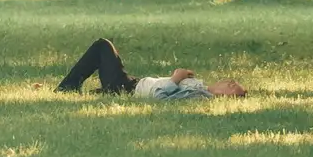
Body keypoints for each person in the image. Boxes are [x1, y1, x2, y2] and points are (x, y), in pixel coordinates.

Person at [55, 37, 246, 99]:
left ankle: (66, 88)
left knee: (103, 46)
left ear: (223, 98)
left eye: (232, 87)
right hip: (134, 83)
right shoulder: (200, 87)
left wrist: (176, 78)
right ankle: (72, 90)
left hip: (128, 89)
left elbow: (161, 97)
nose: (230, 82)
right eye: (232, 81)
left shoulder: (198, 96)